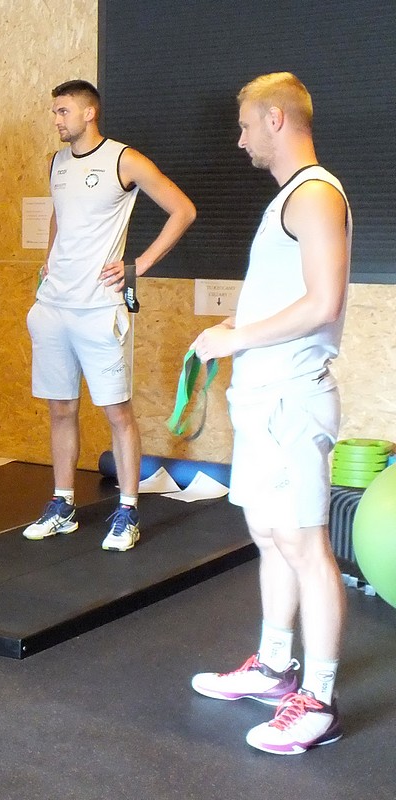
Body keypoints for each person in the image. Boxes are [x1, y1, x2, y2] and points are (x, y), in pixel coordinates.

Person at [189, 72, 350, 756]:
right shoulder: (290, 198)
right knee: (269, 533)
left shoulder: (314, 194)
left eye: (246, 125)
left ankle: (319, 699)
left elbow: (324, 302)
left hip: (291, 400)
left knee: (305, 544)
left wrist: (239, 337)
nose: (241, 138)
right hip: (261, 399)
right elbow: (289, 297)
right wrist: (238, 326)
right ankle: (276, 667)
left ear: (277, 120)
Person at [23, 79, 195, 551]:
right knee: (61, 407)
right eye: (54, 112)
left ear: (89, 113)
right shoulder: (57, 162)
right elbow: (59, 215)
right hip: (55, 304)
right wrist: (49, 258)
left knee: (117, 412)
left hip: (99, 307)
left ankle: (128, 511)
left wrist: (139, 264)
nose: (56, 120)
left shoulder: (124, 160)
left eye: (63, 111)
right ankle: (62, 505)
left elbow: (182, 210)